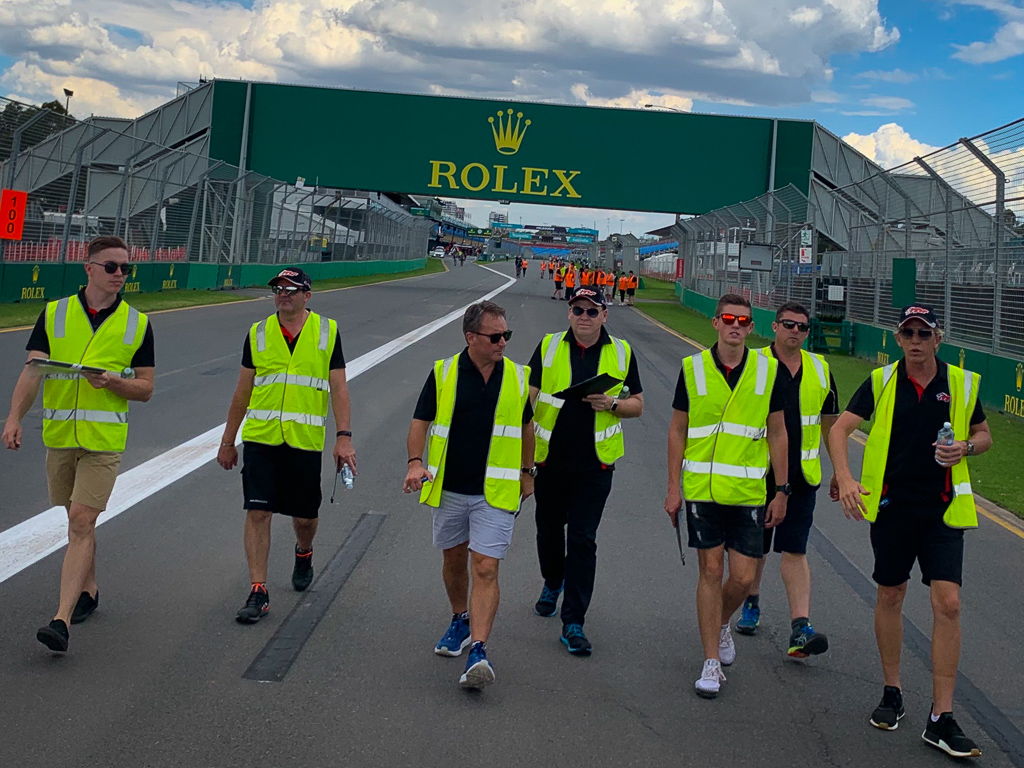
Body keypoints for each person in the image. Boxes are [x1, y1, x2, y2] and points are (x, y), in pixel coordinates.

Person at [829, 304, 991, 758]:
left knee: (949, 603)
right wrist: (844, 478)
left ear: (939, 339)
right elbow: (840, 430)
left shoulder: (960, 384)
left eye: (925, 333)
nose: (916, 340)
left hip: (942, 510)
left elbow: (983, 434)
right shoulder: (882, 382)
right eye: (908, 333)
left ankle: (942, 717)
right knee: (891, 595)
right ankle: (892, 690)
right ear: (897, 339)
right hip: (893, 508)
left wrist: (966, 448)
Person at [3, 235, 155, 653]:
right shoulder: (54, 314)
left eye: (127, 268)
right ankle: (88, 588)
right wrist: (14, 417)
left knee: (82, 521)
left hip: (103, 441)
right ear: (88, 268)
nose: (120, 275)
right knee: (75, 518)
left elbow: (145, 388)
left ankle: (61, 620)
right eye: (112, 267)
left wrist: (115, 382)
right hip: (59, 437)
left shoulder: (137, 324)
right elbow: (33, 370)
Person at [403, 301, 534, 690]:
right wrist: (414, 461)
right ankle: (459, 618)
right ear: (471, 337)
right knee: (454, 560)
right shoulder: (443, 373)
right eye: (495, 337)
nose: (503, 343)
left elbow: (527, 429)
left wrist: (528, 473)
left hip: (495, 491)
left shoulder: (516, 377)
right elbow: (420, 422)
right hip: (449, 488)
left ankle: (479, 648)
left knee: (486, 567)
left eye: (506, 335)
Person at [664, 293, 789, 698]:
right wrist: (672, 488)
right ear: (715, 323)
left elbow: (778, 432)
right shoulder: (693, 369)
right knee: (711, 573)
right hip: (702, 489)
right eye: (728, 319)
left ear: (751, 328)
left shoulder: (768, 371)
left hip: (750, 491)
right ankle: (711, 662)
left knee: (744, 578)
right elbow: (677, 430)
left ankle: (720, 623)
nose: (736, 325)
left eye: (743, 321)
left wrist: (783, 489)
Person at [217, 267, 356, 624]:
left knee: (305, 517)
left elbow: (339, 388)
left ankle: (304, 552)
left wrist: (344, 437)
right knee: (258, 511)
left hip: (304, 442)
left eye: (292, 290)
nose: (284, 295)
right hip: (262, 439)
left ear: (307, 296)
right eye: (279, 289)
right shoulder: (258, 333)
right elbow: (242, 391)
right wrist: (228, 441)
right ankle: (258, 590)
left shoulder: (328, 332)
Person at [529, 287, 644, 655]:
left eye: (592, 311)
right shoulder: (548, 347)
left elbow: (637, 405)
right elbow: (527, 399)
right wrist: (519, 458)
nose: (584, 316)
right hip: (549, 460)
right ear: (569, 313)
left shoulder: (621, 352)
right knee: (548, 530)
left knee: (582, 539)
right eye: (577, 309)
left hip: (596, 464)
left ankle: (573, 621)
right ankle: (553, 579)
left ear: (604, 316)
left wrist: (612, 403)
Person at [734, 303, 839, 659]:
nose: (795, 331)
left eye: (802, 327)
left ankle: (800, 627)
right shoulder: (754, 363)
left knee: (795, 549)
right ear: (775, 327)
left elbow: (831, 423)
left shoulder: (821, 369)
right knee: (756, 549)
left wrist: (840, 471)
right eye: (789, 325)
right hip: (758, 473)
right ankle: (751, 602)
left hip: (803, 477)